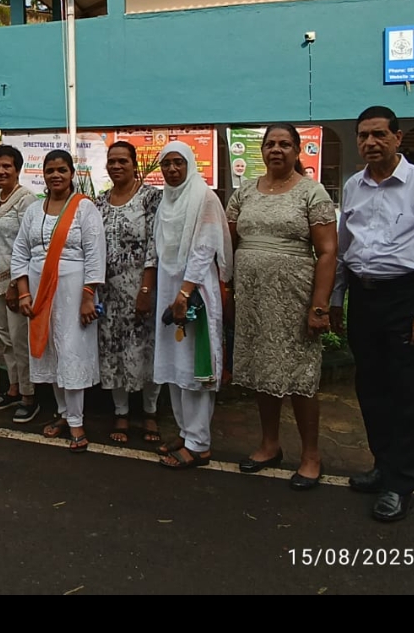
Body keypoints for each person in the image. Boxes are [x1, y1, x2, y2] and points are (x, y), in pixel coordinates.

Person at [330, 105, 414, 521]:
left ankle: (401, 484)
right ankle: (383, 465)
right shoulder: (353, 186)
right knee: (371, 388)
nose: (370, 143)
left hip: (406, 299)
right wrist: (335, 299)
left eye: (379, 134)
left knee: (408, 393)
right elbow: (345, 250)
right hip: (365, 300)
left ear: (398, 138)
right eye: (363, 135)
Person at [227, 124, 339, 489]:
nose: (277, 150)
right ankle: (269, 444)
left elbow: (327, 252)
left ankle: (311, 455)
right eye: (271, 144)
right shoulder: (245, 191)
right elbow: (226, 240)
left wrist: (319, 306)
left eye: (285, 144)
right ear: (262, 150)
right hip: (253, 297)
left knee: (300, 376)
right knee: (263, 369)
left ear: (297, 150)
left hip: (294, 297)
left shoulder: (312, 192)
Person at [141, 144, 232, 471]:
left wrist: (184, 292)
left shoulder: (203, 197)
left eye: (178, 163)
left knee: (195, 369)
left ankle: (199, 445)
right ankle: (186, 432)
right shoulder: (168, 200)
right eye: (166, 164)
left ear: (190, 164)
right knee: (174, 367)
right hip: (169, 285)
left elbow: (205, 246)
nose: (172, 169)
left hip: (195, 293)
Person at [11, 149, 107, 451]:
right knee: (50, 349)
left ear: (71, 173)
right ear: (43, 174)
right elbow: (20, 253)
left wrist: (88, 296)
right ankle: (63, 414)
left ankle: (77, 421)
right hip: (40, 289)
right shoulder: (34, 211)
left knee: (72, 351)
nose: (56, 175)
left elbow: (95, 253)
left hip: (74, 289)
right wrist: (24, 292)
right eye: (50, 170)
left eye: (61, 170)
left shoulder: (84, 209)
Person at [96, 142, 163, 447]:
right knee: (113, 350)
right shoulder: (99, 202)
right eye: (112, 161)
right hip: (108, 292)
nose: (116, 166)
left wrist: (146, 289)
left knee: (146, 349)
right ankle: (121, 412)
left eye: (123, 160)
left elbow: (154, 245)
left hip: (141, 286)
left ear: (134, 164)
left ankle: (150, 412)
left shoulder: (151, 198)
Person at [0, 146, 40, 423]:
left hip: (16, 283)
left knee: (20, 341)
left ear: (17, 169)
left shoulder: (26, 200)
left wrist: (16, 286)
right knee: (6, 341)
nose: (1, 171)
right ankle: (14, 388)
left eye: (7, 166)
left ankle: (29, 396)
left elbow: (28, 245)